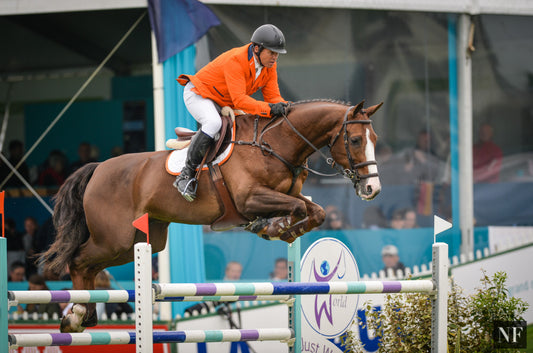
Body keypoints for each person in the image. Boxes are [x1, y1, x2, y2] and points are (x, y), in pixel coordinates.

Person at [174, 24, 289, 201]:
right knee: (213, 123)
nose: (275, 57)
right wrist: (269, 109)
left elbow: (273, 97)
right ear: (256, 48)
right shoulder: (236, 60)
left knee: (248, 125)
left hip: (222, 100)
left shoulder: (269, 66)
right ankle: (185, 175)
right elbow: (240, 101)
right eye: (272, 52)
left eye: (277, 54)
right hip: (198, 93)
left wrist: (289, 109)